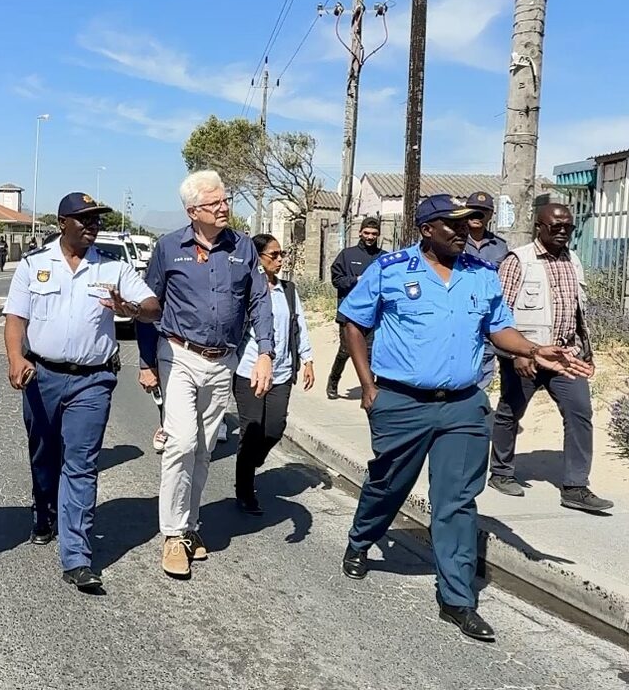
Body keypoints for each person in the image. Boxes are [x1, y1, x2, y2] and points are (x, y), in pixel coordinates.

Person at [337, 194, 591, 641]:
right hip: (401, 401)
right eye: (449, 224)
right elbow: (353, 322)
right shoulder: (391, 269)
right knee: (388, 483)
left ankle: (456, 599)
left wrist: (533, 348)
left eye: (466, 222)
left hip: (463, 405)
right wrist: (367, 384)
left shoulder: (483, 275)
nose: (461, 230)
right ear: (426, 230)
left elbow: (499, 328)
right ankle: (361, 539)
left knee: (456, 500)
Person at [4, 193, 161, 593]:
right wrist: (15, 360)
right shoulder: (33, 266)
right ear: (62, 222)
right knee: (44, 454)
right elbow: (15, 319)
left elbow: (153, 306)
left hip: (93, 381)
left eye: (97, 220)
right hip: (42, 377)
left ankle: (77, 557)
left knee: (81, 463)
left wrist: (132, 309)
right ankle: (44, 509)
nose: (92, 226)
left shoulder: (114, 268)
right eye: (84, 219)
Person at [136, 170, 274, 579]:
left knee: (203, 448)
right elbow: (149, 306)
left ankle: (190, 526)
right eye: (215, 203)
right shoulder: (167, 248)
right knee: (180, 442)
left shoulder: (244, 247)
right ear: (193, 210)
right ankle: (173, 534)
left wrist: (265, 352)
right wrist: (146, 362)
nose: (224, 207)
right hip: (178, 354)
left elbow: (259, 302)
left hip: (223, 361)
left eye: (225, 200)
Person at [488, 203, 613, 513]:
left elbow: (578, 313)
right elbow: (500, 312)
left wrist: (586, 351)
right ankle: (501, 472)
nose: (562, 232)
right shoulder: (519, 260)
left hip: (565, 355)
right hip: (527, 356)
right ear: (539, 228)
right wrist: (518, 352)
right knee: (509, 412)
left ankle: (575, 486)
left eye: (567, 227)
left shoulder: (574, 260)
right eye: (555, 226)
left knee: (581, 413)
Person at [233, 234, 315, 515]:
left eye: (282, 255)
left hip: (281, 372)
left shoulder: (288, 291)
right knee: (252, 429)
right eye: (274, 255)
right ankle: (244, 491)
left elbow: (299, 325)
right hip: (249, 371)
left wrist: (307, 360)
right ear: (257, 258)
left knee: (275, 428)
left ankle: (251, 460)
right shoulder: (244, 290)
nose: (280, 260)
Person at [327, 217, 385, 399]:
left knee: (370, 352)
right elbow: (336, 280)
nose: (370, 237)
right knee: (346, 351)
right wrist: (356, 280)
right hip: (349, 314)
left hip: (373, 315)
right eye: (366, 233)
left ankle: (370, 389)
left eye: (374, 234)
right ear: (360, 232)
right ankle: (333, 381)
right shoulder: (347, 255)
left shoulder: (383, 257)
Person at [463, 191, 510, 390]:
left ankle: (477, 405)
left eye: (482, 212)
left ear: (490, 215)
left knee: (485, 363)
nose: (476, 216)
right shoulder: (453, 241)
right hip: (460, 312)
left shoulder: (500, 246)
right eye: (472, 211)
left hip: (487, 314)